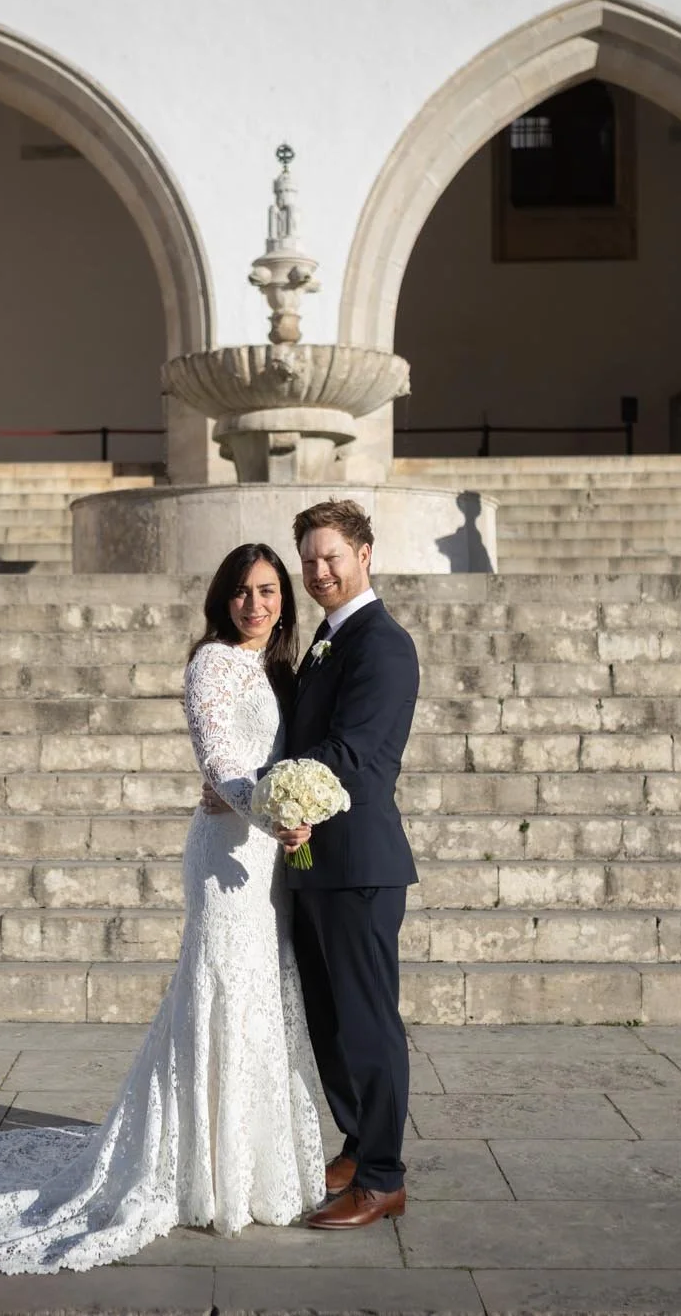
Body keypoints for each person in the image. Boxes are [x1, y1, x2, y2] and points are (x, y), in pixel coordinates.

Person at [0, 544, 327, 1272]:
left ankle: (247, 1161)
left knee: (259, 995)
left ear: (284, 599)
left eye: (269, 590)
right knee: (217, 990)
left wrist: (290, 809)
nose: (256, 603)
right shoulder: (209, 663)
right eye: (242, 591)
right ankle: (197, 1167)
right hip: (225, 853)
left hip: (267, 858)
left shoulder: (279, 666)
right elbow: (216, 761)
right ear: (222, 598)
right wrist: (269, 809)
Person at [277, 499, 420, 1229]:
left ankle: (384, 1176)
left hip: (358, 861)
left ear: (365, 553)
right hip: (312, 861)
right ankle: (358, 1144)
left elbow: (358, 753)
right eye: (308, 558)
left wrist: (284, 789)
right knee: (330, 1022)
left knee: (367, 1021)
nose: (318, 569)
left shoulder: (382, 645)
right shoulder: (326, 640)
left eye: (331, 555)